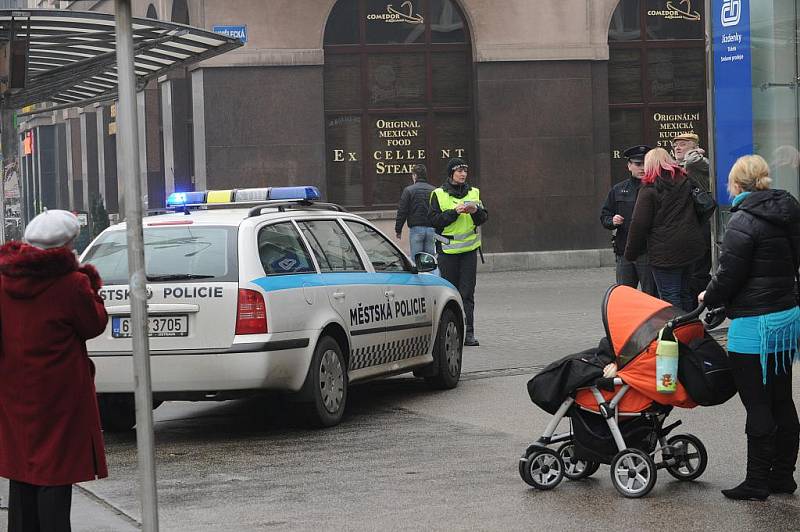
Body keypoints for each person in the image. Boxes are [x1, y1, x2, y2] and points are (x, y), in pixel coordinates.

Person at [0, 210, 109, 531]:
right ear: (67, 244)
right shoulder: (71, 284)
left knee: (22, 469)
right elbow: (94, 323)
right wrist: (89, 279)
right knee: (55, 474)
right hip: (60, 394)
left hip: (13, 389)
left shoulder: (4, 279)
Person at [699, 154, 800, 501]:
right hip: (787, 319)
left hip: (754, 324)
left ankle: (757, 481)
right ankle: (783, 477)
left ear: (737, 184)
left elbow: (729, 275)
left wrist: (706, 295)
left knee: (757, 404)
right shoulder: (788, 209)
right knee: (782, 399)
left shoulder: (743, 221)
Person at [624, 147, 704, 311]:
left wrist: (630, 253)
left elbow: (639, 224)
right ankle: (690, 328)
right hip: (690, 246)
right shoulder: (686, 182)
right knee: (685, 292)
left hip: (665, 251)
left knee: (670, 295)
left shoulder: (649, 189)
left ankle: (677, 332)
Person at [429, 157, 488, 347]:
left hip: (469, 252)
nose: (463, 174)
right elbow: (434, 221)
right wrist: (454, 212)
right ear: (451, 173)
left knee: (467, 294)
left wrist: (475, 211)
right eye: (459, 170)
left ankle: (469, 334)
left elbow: (483, 218)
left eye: (465, 170)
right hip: (447, 253)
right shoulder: (438, 194)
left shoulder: (474, 192)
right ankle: (450, 333)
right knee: (450, 295)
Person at [600, 144, 658, 296]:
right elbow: (605, 215)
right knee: (625, 295)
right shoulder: (618, 189)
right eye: (638, 164)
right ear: (629, 166)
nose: (642, 168)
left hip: (647, 251)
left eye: (646, 163)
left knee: (650, 295)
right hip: (624, 250)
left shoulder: (657, 187)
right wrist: (612, 220)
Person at [672, 132, 713, 304]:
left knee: (697, 273)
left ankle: (713, 299)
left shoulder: (698, 162)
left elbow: (698, 163)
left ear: (695, 147)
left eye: (683, 144)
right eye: (675, 145)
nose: (677, 147)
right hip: (685, 226)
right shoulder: (677, 164)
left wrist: (693, 155)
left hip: (700, 224)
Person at [395, 163, 437, 260]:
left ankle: (419, 275)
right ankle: (430, 275)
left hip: (416, 228)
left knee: (417, 261)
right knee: (430, 260)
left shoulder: (409, 190)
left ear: (415, 176)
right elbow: (437, 211)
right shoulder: (434, 190)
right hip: (431, 229)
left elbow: (402, 211)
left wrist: (398, 229)